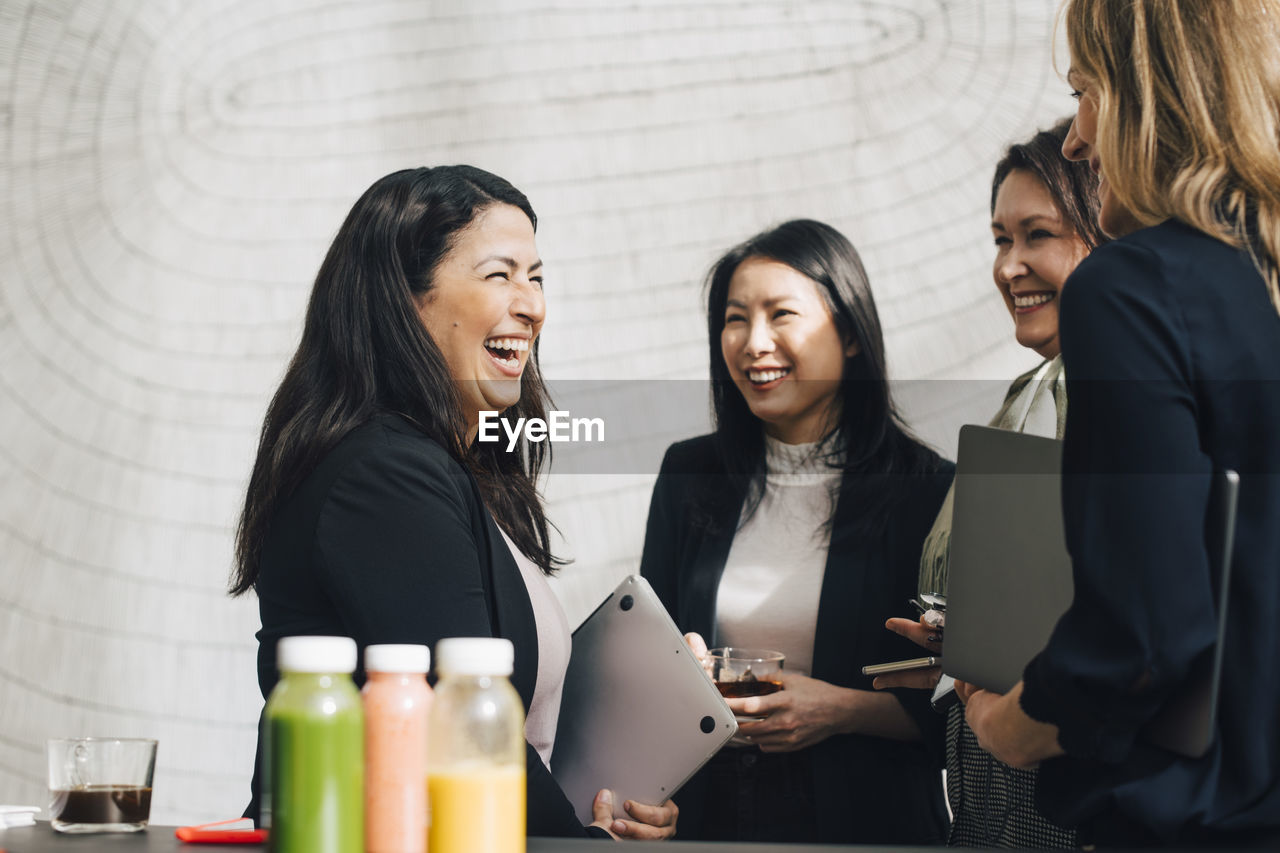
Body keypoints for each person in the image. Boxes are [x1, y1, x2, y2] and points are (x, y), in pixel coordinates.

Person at [229, 166, 678, 840]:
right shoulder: (383, 477)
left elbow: (510, 728)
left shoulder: (454, 473)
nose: (531, 305)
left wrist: (608, 806)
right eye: (500, 274)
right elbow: (465, 735)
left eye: (537, 277)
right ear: (405, 300)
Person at [959, 0, 1280, 845]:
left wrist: (1010, 725)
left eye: (1087, 92)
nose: (1075, 138)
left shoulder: (1133, 287)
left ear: (1152, 93)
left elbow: (1143, 635)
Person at [639, 219, 952, 844]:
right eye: (735, 318)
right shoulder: (690, 472)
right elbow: (644, 657)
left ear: (851, 333)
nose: (754, 342)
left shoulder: (927, 487)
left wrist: (840, 711)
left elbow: (963, 703)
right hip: (708, 814)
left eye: (781, 314)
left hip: (865, 816)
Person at [875, 118, 1107, 848]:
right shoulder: (1025, 397)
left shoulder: (1125, 398)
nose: (1009, 267)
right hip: (989, 788)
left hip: (1066, 789)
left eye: (1037, 234)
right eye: (1001, 240)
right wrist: (961, 647)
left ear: (1109, 234)